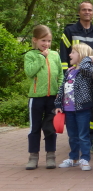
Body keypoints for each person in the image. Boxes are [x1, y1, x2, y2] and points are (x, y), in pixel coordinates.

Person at [24, 25, 63, 170]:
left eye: (49, 41)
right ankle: (33, 157)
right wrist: (41, 57)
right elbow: (29, 72)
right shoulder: (30, 55)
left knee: (50, 128)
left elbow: (60, 75)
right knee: (35, 128)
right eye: (43, 41)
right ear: (35, 40)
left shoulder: (55, 55)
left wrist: (59, 90)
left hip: (52, 98)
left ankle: (50, 156)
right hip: (36, 98)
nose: (46, 44)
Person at [54, 43, 93, 171]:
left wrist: (87, 59)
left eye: (73, 52)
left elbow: (88, 70)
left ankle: (85, 159)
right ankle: (74, 158)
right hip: (69, 109)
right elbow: (62, 88)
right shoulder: (70, 71)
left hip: (82, 109)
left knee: (83, 135)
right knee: (72, 136)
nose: (70, 55)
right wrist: (58, 104)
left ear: (81, 55)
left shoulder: (86, 71)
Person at [60, 1, 93, 71]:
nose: (87, 12)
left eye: (89, 10)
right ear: (79, 12)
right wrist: (65, 72)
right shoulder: (69, 31)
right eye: (84, 10)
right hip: (74, 72)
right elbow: (63, 54)